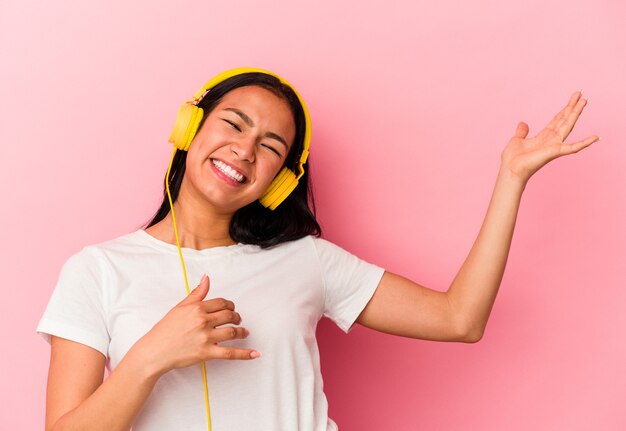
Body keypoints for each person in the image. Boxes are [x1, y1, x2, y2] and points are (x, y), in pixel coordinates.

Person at [37, 69, 599, 431]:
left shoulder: (305, 258)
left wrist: (511, 178)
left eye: (271, 146)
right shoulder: (98, 270)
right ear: (191, 127)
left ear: (279, 180)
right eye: (233, 123)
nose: (245, 149)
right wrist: (149, 358)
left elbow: (460, 319)